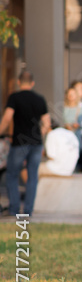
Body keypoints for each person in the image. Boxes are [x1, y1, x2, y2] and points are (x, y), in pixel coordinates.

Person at [0, 71, 51, 215]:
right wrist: (38, 134)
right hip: (36, 143)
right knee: (32, 176)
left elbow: (7, 118)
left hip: (19, 144)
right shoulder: (40, 99)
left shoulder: (14, 97)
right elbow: (47, 123)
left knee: (11, 174)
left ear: (18, 82)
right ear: (32, 83)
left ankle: (14, 209)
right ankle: (28, 211)